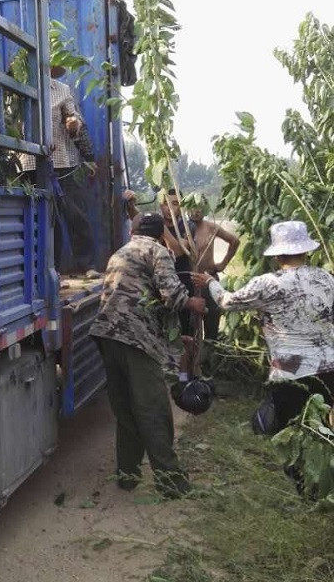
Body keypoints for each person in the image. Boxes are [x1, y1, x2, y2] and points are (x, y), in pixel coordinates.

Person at [89, 212, 207, 498]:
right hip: (134, 340)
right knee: (153, 410)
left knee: (126, 408)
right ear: (160, 233)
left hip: (107, 336)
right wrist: (195, 302)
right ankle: (171, 482)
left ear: (134, 230)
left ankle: (128, 474)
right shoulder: (158, 251)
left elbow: (146, 293)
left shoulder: (121, 251)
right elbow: (172, 296)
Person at [192, 220, 334, 432]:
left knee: (292, 432)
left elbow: (226, 301)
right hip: (329, 368)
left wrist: (209, 282)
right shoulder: (326, 278)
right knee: (324, 431)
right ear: (306, 252)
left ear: (277, 256)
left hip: (291, 373)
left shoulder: (268, 283)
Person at [20, 63, 93, 271]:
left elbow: (74, 117)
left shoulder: (62, 90)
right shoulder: (18, 86)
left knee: (74, 214)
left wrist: (73, 122)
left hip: (61, 162)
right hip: (29, 163)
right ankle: (50, 271)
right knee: (44, 220)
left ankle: (85, 264)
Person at [189, 195, 240, 341]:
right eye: (192, 207)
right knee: (190, 328)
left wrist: (223, 264)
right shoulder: (183, 227)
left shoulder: (211, 227)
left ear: (205, 209)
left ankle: (209, 357)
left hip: (208, 280)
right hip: (190, 283)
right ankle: (193, 360)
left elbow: (234, 241)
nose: (196, 211)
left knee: (211, 326)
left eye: (199, 207)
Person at [160, 189, 196, 334]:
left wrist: (160, 228)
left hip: (182, 286)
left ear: (181, 208)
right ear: (160, 205)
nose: (169, 208)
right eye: (165, 203)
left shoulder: (187, 227)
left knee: (183, 332)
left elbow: (177, 250)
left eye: (174, 204)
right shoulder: (153, 225)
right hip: (160, 287)